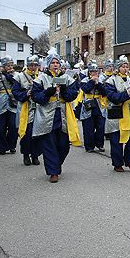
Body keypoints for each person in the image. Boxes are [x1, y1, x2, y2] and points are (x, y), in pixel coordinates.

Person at [31, 48, 80, 183]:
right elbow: (35, 97)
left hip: (63, 115)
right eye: (52, 63)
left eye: (57, 62)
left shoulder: (67, 78)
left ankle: (56, 164)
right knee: (49, 144)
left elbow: (73, 95)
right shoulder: (41, 78)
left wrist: (64, 90)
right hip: (47, 116)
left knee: (64, 145)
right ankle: (53, 171)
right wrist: (47, 92)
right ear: (48, 64)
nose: (55, 65)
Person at [104, 55, 130, 172]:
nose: (125, 69)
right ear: (118, 68)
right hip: (117, 113)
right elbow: (113, 97)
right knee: (116, 140)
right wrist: (126, 94)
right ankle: (117, 163)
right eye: (123, 66)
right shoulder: (110, 81)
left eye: (127, 66)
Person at [12, 55, 42, 166]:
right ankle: (26, 154)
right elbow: (15, 92)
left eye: (35, 65)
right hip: (26, 108)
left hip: (39, 109)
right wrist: (26, 94)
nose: (33, 67)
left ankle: (35, 155)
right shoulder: (20, 77)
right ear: (27, 65)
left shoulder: (42, 76)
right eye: (31, 65)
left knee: (38, 133)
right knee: (27, 133)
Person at [79, 61, 107, 153]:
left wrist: (98, 83)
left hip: (99, 103)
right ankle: (89, 146)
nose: (95, 73)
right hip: (88, 103)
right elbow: (86, 89)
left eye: (96, 71)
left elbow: (104, 92)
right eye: (93, 72)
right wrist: (92, 81)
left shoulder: (101, 80)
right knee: (88, 126)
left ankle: (99, 144)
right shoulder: (84, 81)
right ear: (89, 73)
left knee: (100, 126)